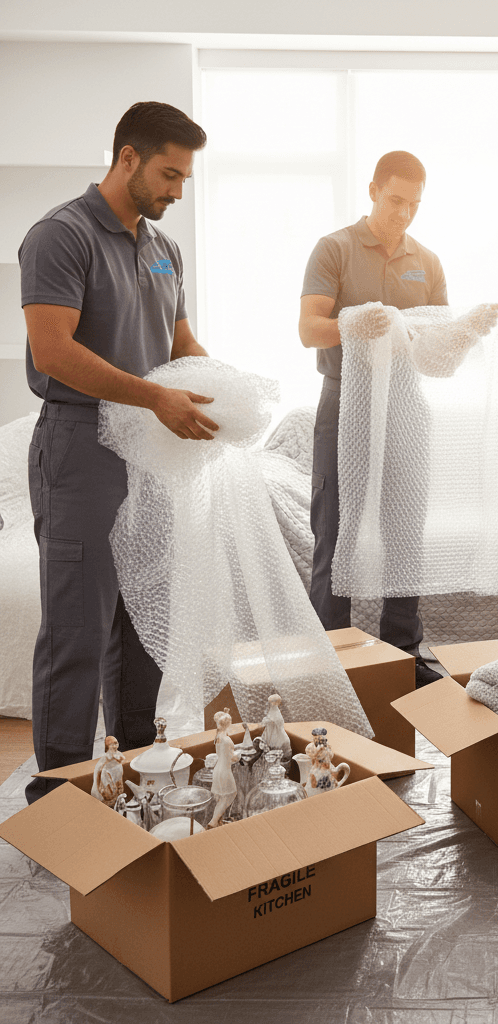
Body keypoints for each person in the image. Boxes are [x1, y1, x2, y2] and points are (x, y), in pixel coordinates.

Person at [19, 101, 215, 804]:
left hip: (150, 450)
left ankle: (131, 774)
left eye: (185, 178)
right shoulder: (61, 235)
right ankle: (60, 797)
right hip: (82, 447)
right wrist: (155, 397)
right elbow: (53, 352)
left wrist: (220, 388)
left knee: (141, 622)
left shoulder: (163, 248)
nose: (178, 191)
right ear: (127, 157)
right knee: (78, 628)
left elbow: (180, 344)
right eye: (169, 174)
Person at [298, 151, 449, 686]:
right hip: (345, 402)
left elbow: (436, 354)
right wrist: (355, 324)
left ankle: (404, 657)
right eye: (394, 201)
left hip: (405, 404)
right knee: (335, 533)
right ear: (373, 191)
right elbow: (309, 329)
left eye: (414, 205)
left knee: (405, 535)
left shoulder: (427, 261)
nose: (403, 214)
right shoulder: (334, 248)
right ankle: (333, 662)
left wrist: (462, 335)